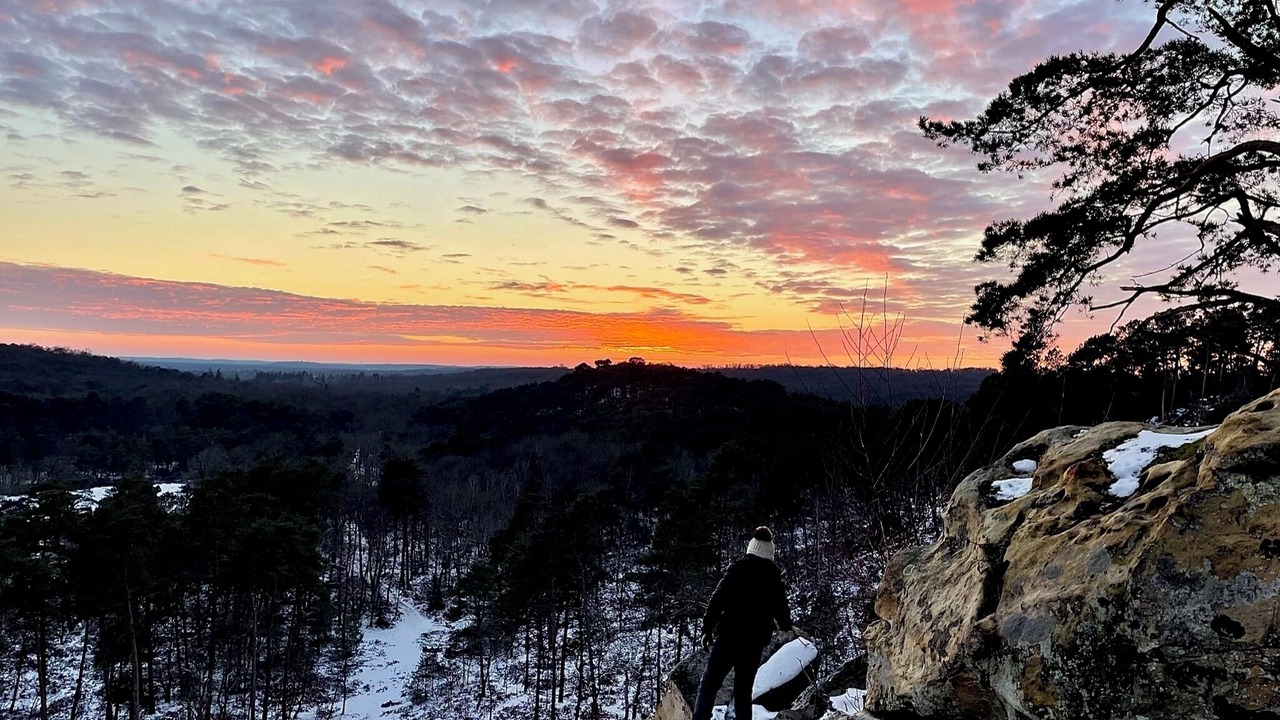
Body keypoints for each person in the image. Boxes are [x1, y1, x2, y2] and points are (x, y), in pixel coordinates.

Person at [692, 526, 797, 720]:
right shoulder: (773, 577)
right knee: (743, 691)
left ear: (751, 548)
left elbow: (717, 600)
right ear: (769, 552)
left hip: (729, 636)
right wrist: (786, 628)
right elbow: (782, 610)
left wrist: (706, 629)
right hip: (754, 642)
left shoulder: (737, 570)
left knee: (709, 684)